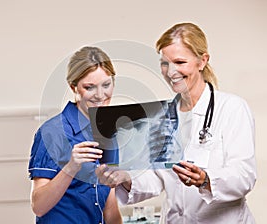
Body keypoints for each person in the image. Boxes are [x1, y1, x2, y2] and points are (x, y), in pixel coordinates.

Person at [96, 22, 257, 223]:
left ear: (202, 61)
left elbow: (244, 176)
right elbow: (155, 178)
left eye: (180, 62)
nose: (171, 72)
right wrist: (125, 179)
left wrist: (205, 179)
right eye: (165, 63)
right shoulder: (161, 116)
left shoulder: (232, 108)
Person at [28, 46, 122, 224]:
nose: (100, 95)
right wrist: (71, 167)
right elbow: (38, 206)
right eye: (89, 87)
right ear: (74, 87)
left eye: (106, 85)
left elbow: (109, 203)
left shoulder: (109, 130)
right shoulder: (52, 132)